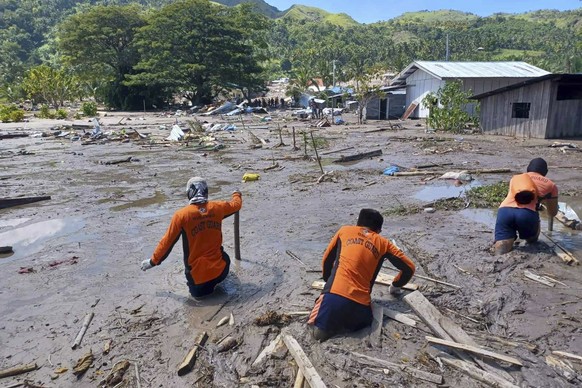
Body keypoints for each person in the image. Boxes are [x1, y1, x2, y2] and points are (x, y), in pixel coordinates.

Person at [307, 209, 416, 342]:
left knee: (316, 336)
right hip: (360, 310)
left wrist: (328, 284)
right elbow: (409, 268)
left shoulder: (344, 231)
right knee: (352, 327)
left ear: (357, 223)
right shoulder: (384, 243)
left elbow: (326, 260)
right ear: (379, 231)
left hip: (332, 300)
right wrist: (395, 285)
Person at [141, 177, 242, 297]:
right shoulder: (218, 208)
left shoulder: (181, 216)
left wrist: (153, 261)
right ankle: (216, 284)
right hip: (221, 271)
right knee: (224, 256)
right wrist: (236, 193)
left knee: (200, 299)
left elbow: (167, 242)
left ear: (189, 193)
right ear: (206, 191)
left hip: (198, 281)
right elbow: (236, 205)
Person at [494, 158, 558, 255]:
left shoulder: (516, 178)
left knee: (502, 245)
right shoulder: (551, 185)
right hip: (526, 214)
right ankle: (529, 240)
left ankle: (498, 256)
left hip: (505, 211)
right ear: (546, 172)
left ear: (528, 169)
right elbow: (552, 212)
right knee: (532, 240)